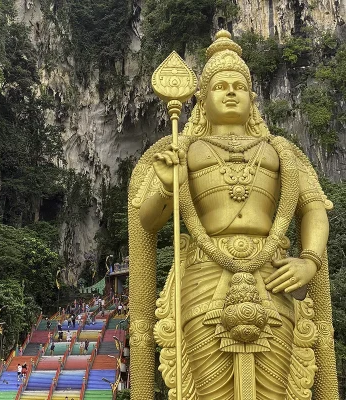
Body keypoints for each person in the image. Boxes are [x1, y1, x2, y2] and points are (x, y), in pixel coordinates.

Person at [128, 30, 338, 400]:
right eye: (219, 85)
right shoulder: (183, 149)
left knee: (277, 389)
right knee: (209, 390)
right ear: (201, 101)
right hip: (204, 277)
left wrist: (309, 261)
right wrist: (165, 184)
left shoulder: (281, 152)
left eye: (239, 86)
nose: (229, 91)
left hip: (273, 276)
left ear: (252, 99)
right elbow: (147, 221)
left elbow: (314, 209)